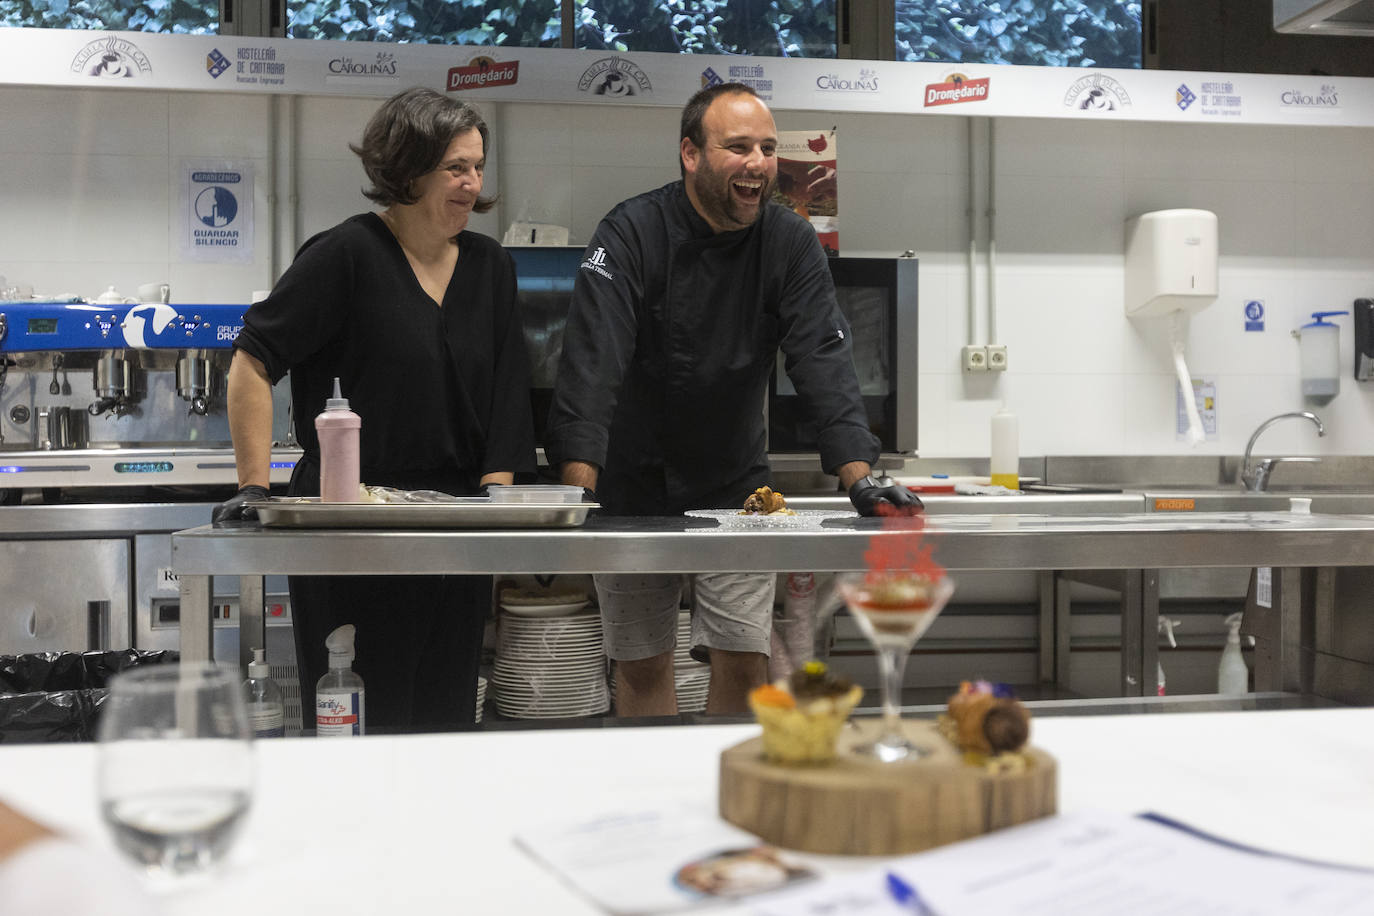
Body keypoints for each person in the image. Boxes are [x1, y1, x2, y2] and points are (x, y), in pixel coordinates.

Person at [545, 83, 920, 717]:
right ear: (690, 154)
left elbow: (822, 357)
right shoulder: (631, 231)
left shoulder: (788, 240)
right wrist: (578, 497)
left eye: (769, 148)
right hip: (630, 486)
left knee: (746, 663)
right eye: (739, 147)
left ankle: (723, 802)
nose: (759, 163)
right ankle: (661, 805)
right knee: (639, 667)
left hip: (738, 488)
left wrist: (861, 476)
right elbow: (592, 364)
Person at [213, 87, 536, 731]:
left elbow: (507, 396)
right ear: (407, 169)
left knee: (445, 721)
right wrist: (253, 485)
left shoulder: (490, 265)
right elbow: (251, 362)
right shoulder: (346, 254)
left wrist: (498, 515)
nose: (472, 183)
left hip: (453, 532)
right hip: (350, 523)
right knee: (358, 718)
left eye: (477, 167)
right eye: (455, 168)